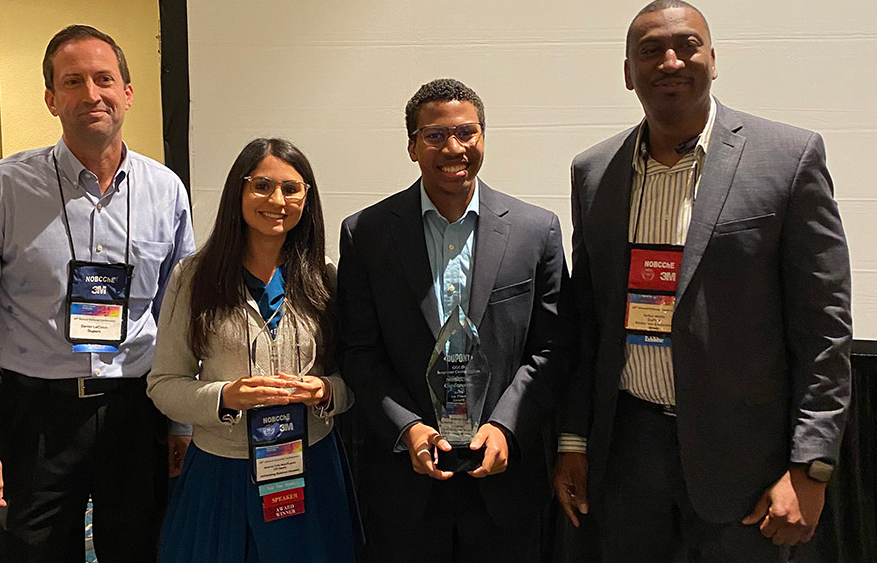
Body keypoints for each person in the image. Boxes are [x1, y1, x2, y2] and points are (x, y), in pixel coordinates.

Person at [552, 2, 853, 561]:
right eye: (650, 51)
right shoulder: (593, 172)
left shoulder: (787, 158)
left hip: (748, 465)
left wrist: (810, 468)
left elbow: (824, 329)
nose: (670, 61)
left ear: (713, 60)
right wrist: (574, 439)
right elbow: (588, 322)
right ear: (627, 73)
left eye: (687, 45)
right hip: (627, 458)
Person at [0, 25, 195, 562]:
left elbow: (180, 315)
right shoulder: (1, 190)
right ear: (52, 99)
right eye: (73, 81)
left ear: (128, 92)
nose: (91, 94)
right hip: (35, 417)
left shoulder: (165, 189)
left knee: (143, 551)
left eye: (105, 79)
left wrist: (181, 421)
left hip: (136, 410)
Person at [338, 78, 574, 562]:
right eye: (435, 136)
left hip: (505, 478)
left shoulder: (536, 231)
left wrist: (508, 425)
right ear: (411, 147)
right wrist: (408, 429)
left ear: (483, 137)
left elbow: (552, 348)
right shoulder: (367, 233)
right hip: (407, 482)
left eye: (467, 133)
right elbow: (360, 351)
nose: (454, 148)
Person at [146, 138, 357, 563]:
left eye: (292, 188)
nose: (277, 200)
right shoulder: (194, 277)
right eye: (261, 185)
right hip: (221, 472)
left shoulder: (325, 278)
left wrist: (327, 391)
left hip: (308, 469)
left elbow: (354, 378)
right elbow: (163, 384)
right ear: (237, 193)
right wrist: (226, 396)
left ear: (307, 199)